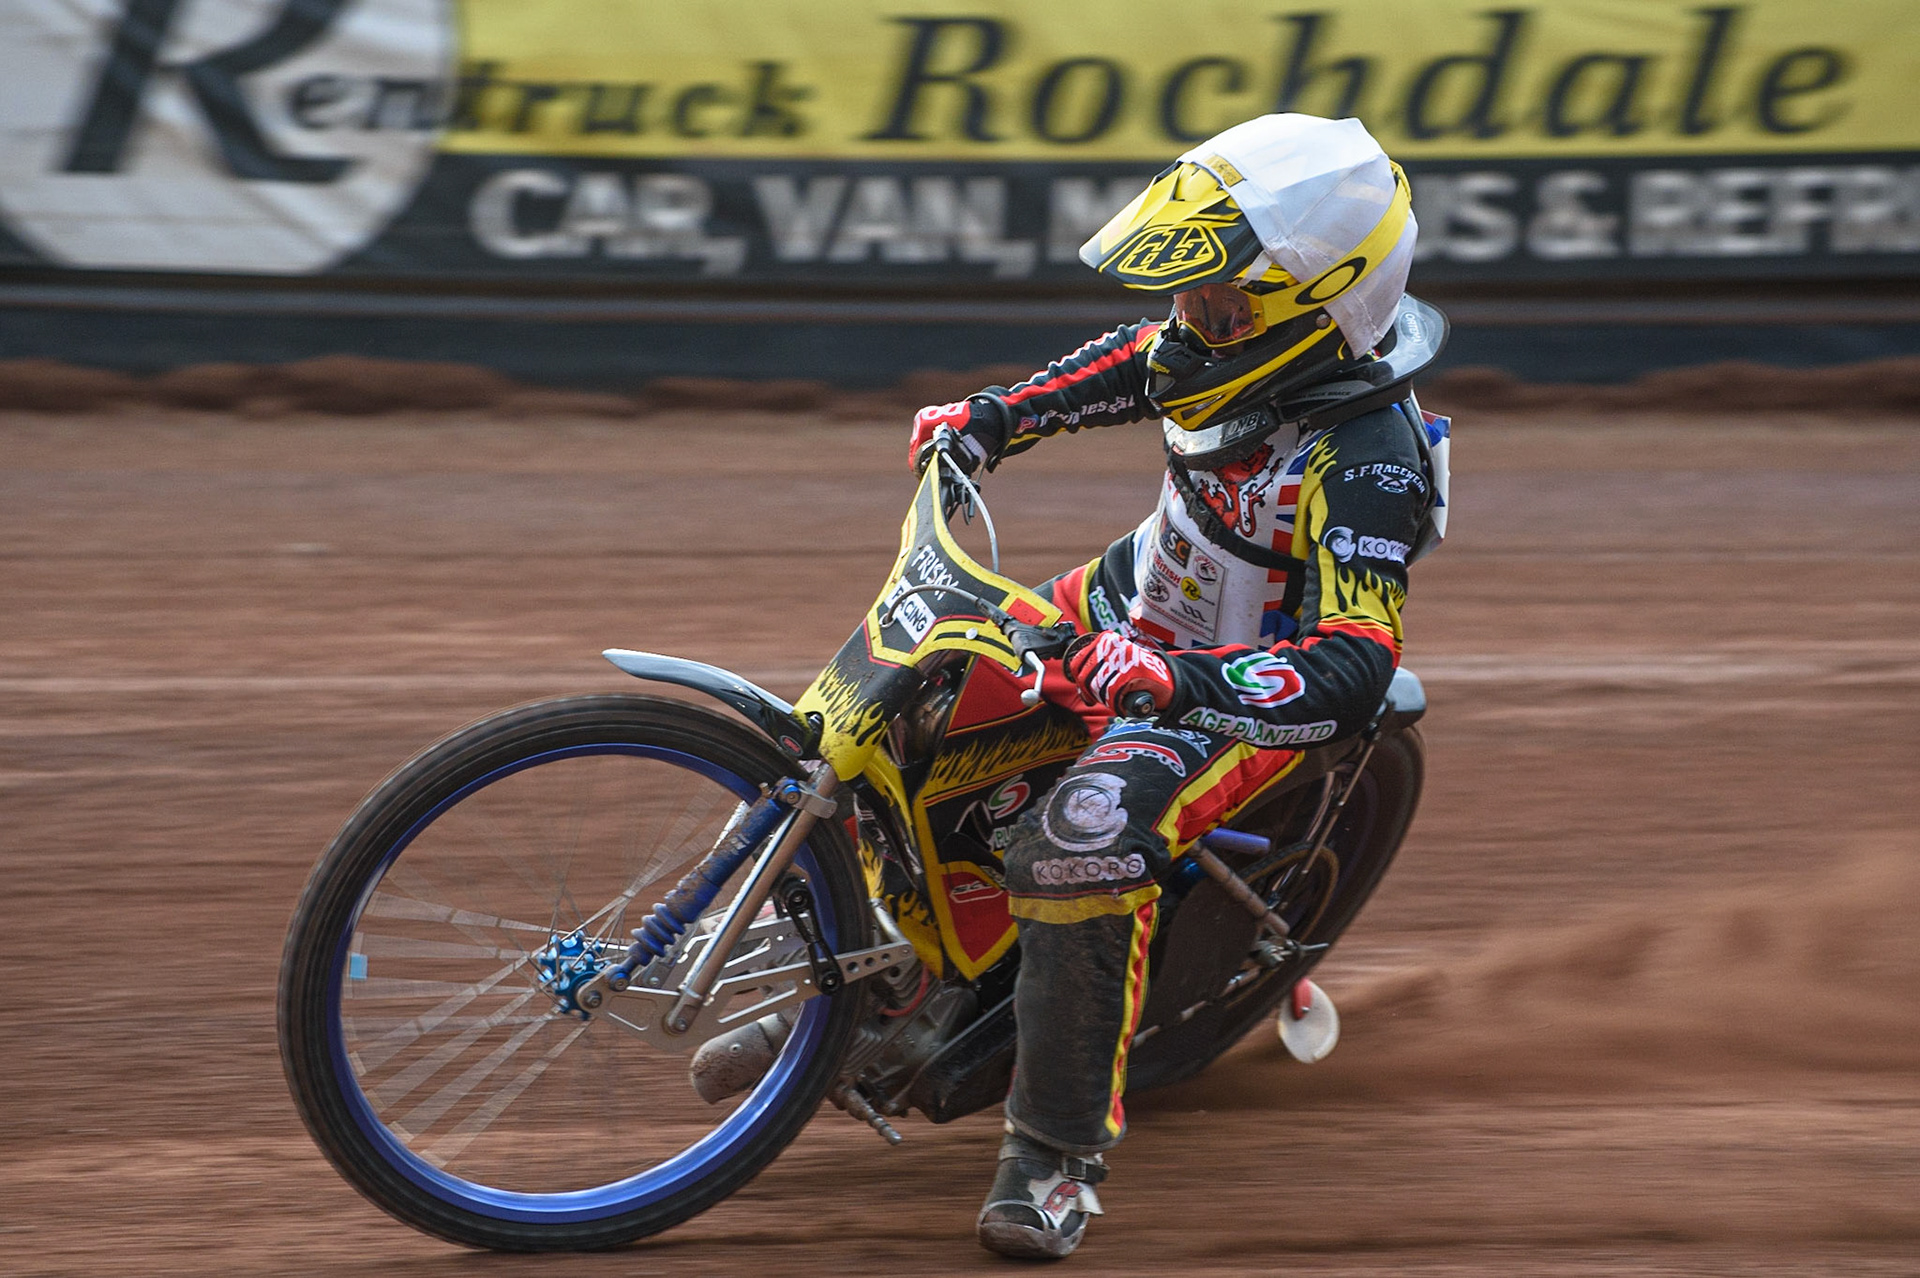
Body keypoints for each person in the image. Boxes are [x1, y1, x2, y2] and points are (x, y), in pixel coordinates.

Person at [902, 113, 1452, 1260]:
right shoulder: (1219, 341)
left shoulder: (1369, 461)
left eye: (1218, 306)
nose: (1190, 326)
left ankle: (1053, 1162)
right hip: (1132, 596)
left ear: (1317, 309)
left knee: (1075, 847)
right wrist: (997, 415)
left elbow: (1357, 666)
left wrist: (1178, 675)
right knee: (922, 694)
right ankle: (870, 981)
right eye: (1191, 297)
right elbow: (1137, 361)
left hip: (1235, 692)